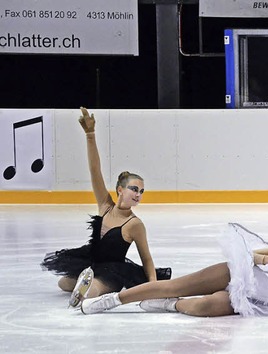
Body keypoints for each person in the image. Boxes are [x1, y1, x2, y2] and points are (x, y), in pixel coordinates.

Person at [80, 223, 268, 319]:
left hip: (251, 300)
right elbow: (253, 255)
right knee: (174, 284)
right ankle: (114, 300)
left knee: (207, 305)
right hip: (237, 276)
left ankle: (168, 306)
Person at [41, 107, 171, 307]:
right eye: (134, 189)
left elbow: (147, 259)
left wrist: (152, 286)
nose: (138, 195)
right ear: (120, 189)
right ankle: (85, 280)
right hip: (92, 262)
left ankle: (89, 287)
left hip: (113, 271)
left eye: (141, 192)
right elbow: (95, 170)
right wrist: (90, 135)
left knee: (90, 292)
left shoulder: (135, 224)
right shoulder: (105, 205)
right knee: (63, 283)